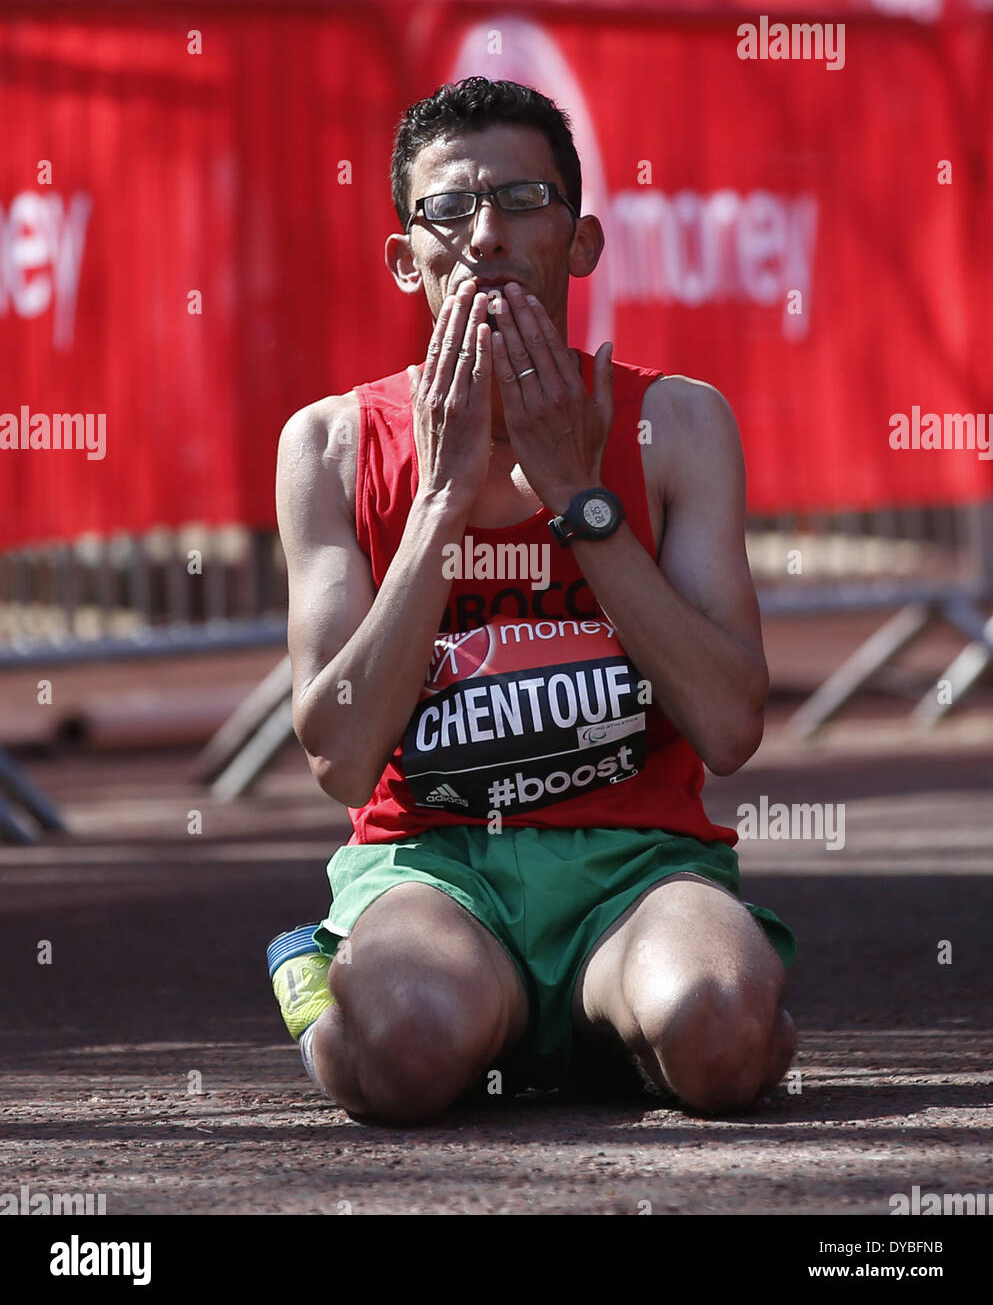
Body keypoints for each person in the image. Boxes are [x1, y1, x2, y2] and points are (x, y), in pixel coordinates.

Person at [267, 76, 797, 1126]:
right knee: (411, 1053)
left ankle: (608, 1018)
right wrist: (441, 502)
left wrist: (579, 498)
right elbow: (339, 755)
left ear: (583, 240)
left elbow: (732, 725)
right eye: (449, 209)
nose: (486, 235)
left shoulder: (679, 426)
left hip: (638, 865)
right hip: (430, 862)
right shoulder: (328, 445)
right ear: (402, 256)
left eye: (523, 200)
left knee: (722, 1038)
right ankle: (332, 985)